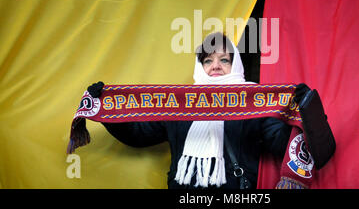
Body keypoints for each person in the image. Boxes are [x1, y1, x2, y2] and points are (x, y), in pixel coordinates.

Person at [87, 32, 310, 189]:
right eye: (207, 60)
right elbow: (138, 135)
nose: (215, 66)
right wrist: (106, 109)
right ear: (200, 66)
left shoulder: (253, 101)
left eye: (224, 60)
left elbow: (281, 142)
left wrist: (303, 112)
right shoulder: (180, 103)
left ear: (237, 65)